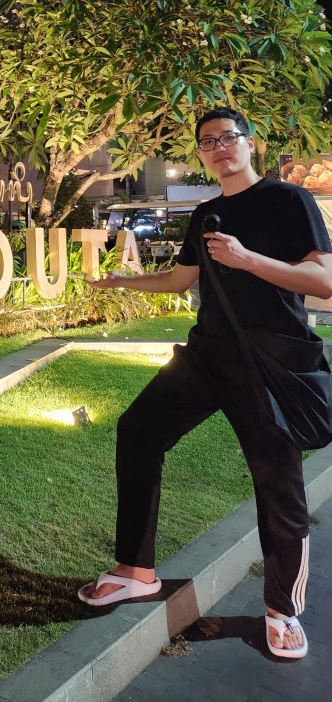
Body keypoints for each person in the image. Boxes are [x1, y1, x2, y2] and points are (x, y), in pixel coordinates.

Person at [78, 107, 332, 660]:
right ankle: (135, 570)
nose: (219, 147)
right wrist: (123, 282)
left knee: (279, 485)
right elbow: (181, 280)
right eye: (207, 142)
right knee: (138, 431)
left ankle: (282, 609)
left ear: (250, 142)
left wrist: (248, 259)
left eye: (227, 137)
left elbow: (323, 281)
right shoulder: (206, 213)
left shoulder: (290, 200)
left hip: (267, 361)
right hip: (207, 356)